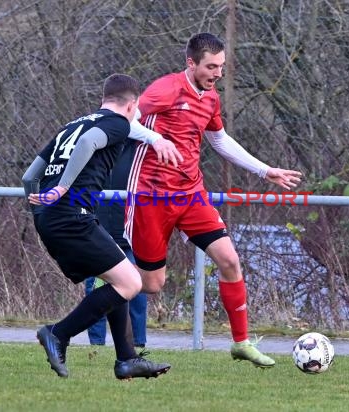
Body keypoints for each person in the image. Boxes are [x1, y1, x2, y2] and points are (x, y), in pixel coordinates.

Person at [124, 33, 303, 368]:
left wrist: (266, 171)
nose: (217, 73)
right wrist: (156, 139)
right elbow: (124, 120)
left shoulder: (210, 98)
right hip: (152, 195)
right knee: (151, 284)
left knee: (229, 260)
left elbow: (219, 140)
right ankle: (103, 276)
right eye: (210, 66)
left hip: (191, 195)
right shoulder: (165, 88)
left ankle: (241, 343)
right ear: (191, 63)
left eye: (221, 66)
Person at [21, 73, 174, 380]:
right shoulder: (118, 123)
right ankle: (58, 334)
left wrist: (40, 209)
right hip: (71, 214)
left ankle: (127, 360)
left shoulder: (73, 125)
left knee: (115, 278)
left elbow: (29, 176)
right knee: (131, 283)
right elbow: (91, 144)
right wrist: (64, 188)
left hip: (52, 218)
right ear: (131, 105)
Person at [84, 139, 147, 348]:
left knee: (136, 291)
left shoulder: (139, 149)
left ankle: (137, 344)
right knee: (95, 288)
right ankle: (96, 344)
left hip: (130, 235)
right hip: (98, 235)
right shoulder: (94, 147)